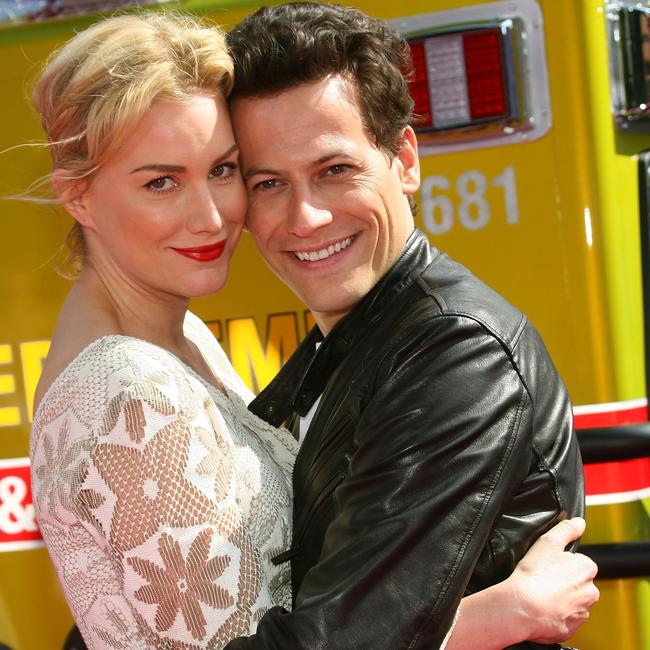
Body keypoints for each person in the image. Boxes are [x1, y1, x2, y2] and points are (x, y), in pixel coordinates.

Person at [26, 9, 596, 650]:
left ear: (404, 159)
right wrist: (485, 621)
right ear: (77, 197)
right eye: (162, 182)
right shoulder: (131, 381)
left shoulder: (188, 342)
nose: (213, 216)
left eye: (222, 170)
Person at [223, 3, 594, 648]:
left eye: (334, 170)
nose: (304, 218)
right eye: (268, 183)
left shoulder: (456, 351)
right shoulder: (358, 335)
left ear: (404, 158)